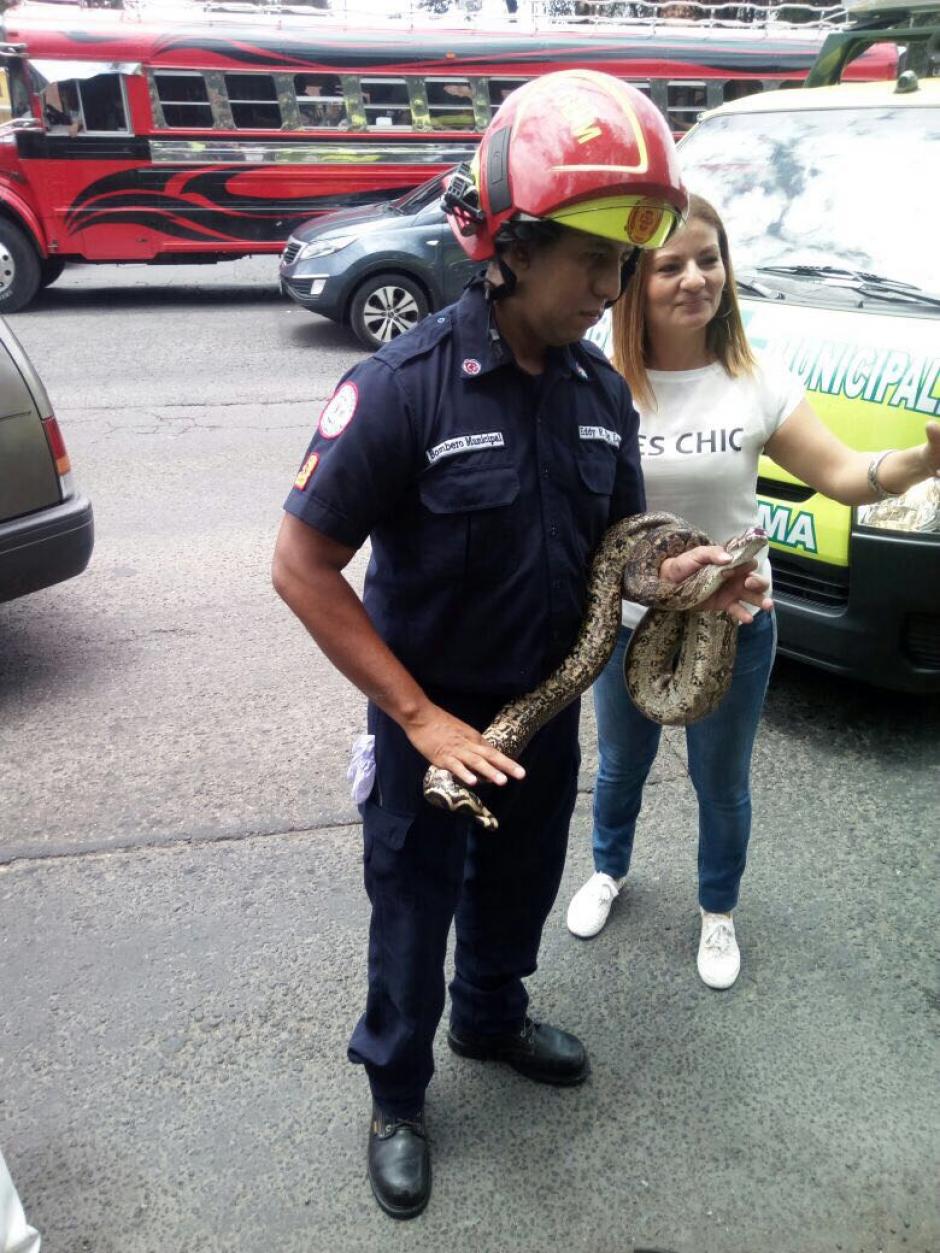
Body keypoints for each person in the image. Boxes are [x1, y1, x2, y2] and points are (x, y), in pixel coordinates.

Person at [272, 73, 769, 1221]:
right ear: (507, 245)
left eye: (623, 265)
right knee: (411, 913)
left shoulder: (598, 388)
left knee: (520, 889)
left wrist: (688, 576)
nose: (614, 291)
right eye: (592, 264)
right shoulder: (400, 391)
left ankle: (490, 1018)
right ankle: (397, 1092)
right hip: (433, 726)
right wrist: (418, 719)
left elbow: (624, 549)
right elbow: (300, 568)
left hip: (546, 714)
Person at [566, 193, 940, 988]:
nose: (696, 278)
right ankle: (608, 869)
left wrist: (917, 462)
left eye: (710, 259)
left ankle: (717, 911)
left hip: (737, 621)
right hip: (633, 622)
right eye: (671, 265)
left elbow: (843, 476)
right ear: (636, 280)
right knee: (621, 765)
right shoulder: (600, 381)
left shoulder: (757, 379)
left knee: (721, 780)